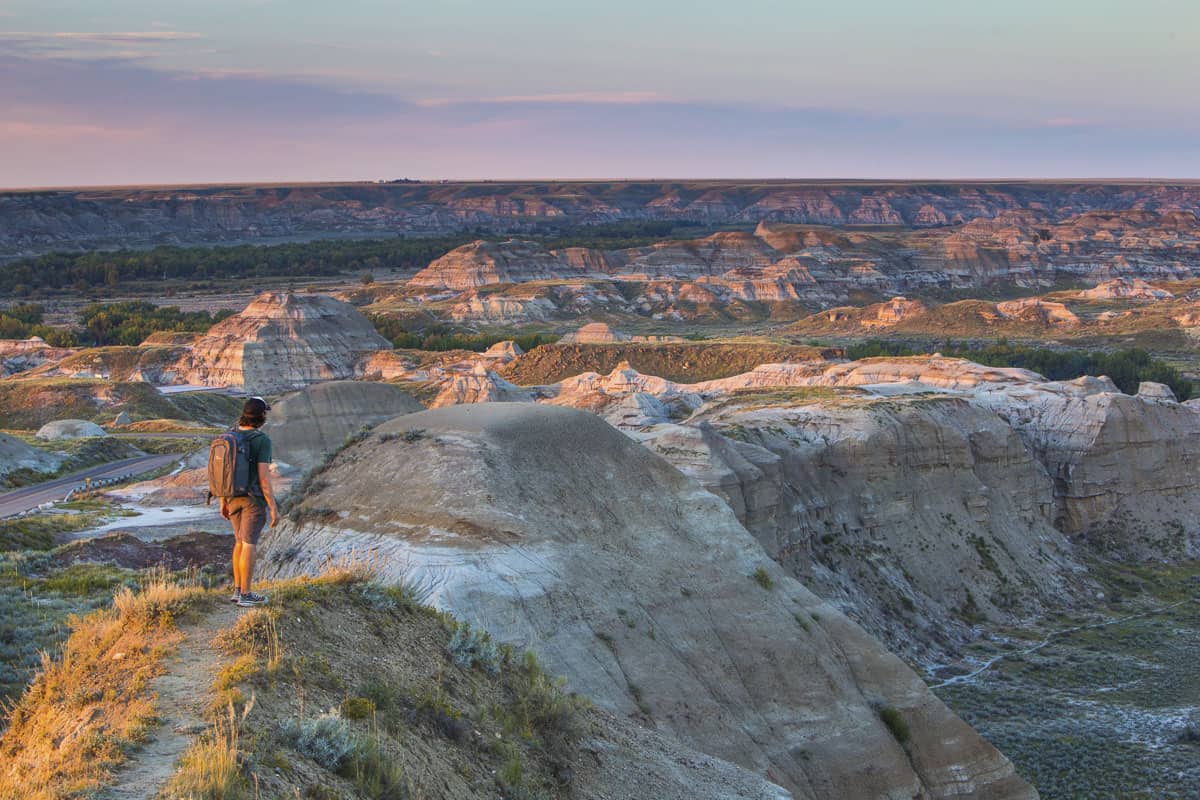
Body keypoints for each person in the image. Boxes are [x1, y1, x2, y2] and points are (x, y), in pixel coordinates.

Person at [221, 396, 279, 607]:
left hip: (231, 497)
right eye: (265, 413)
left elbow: (225, 472)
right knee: (249, 544)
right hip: (252, 500)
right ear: (261, 416)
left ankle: (237, 590)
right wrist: (273, 507)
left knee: (238, 542)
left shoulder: (231, 437)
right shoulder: (261, 440)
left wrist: (222, 501)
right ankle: (246, 594)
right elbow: (264, 477)